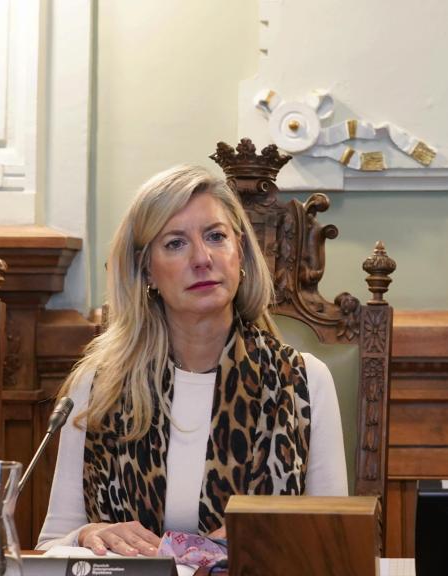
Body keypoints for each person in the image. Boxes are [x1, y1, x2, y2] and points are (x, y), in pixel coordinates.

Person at [37, 166, 347, 555]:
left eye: (216, 236)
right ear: (146, 269)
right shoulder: (100, 386)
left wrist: (266, 540)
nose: (202, 258)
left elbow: (335, 545)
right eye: (175, 244)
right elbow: (53, 543)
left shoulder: (302, 381)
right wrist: (87, 535)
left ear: (241, 252)